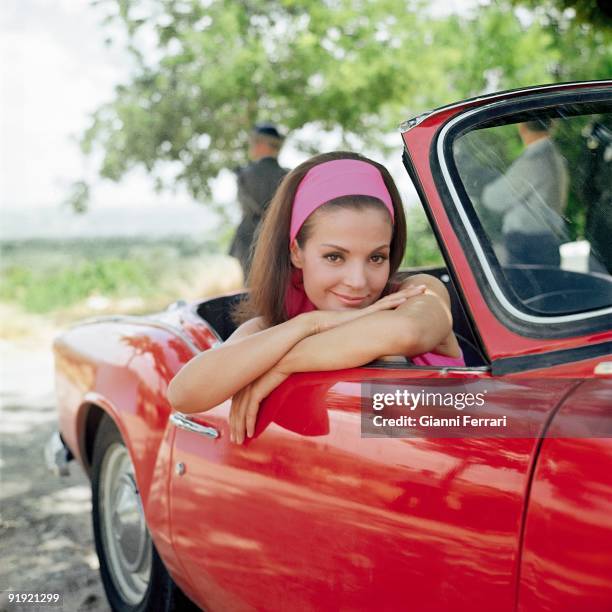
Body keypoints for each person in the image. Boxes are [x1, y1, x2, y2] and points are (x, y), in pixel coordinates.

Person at [169, 151, 464, 443]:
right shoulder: (272, 328)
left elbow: (407, 332)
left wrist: (284, 363)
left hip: (470, 449)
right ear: (297, 252)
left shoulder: (416, 294)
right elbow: (184, 395)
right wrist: (310, 324)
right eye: (335, 257)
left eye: (376, 257)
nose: (358, 281)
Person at [481, 119, 569, 266]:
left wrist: (483, 189)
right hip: (546, 240)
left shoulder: (535, 160)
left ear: (521, 127)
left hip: (528, 245)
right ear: (552, 124)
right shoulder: (554, 155)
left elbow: (495, 199)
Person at [228, 123, 289, 280]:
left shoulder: (244, 174)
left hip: (249, 239)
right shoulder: (288, 176)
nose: (251, 148)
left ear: (261, 145)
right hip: (280, 240)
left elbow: (245, 207)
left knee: (252, 291)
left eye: (253, 143)